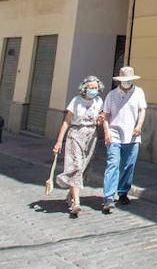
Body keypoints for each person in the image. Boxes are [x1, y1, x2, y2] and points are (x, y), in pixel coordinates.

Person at [53, 76, 104, 217]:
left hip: (91, 136)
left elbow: (99, 120)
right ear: (84, 88)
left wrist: (100, 120)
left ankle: (71, 194)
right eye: (91, 87)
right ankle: (76, 203)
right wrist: (59, 141)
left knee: (84, 168)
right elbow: (66, 122)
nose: (94, 90)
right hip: (75, 134)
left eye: (96, 88)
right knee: (76, 166)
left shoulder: (99, 101)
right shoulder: (76, 101)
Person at [101, 66, 146, 214]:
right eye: (124, 80)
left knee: (128, 165)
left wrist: (139, 126)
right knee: (113, 164)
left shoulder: (139, 92)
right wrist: (106, 132)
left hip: (132, 135)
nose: (127, 82)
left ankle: (122, 192)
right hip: (114, 135)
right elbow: (105, 115)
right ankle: (108, 197)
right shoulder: (112, 95)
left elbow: (142, 110)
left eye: (129, 80)